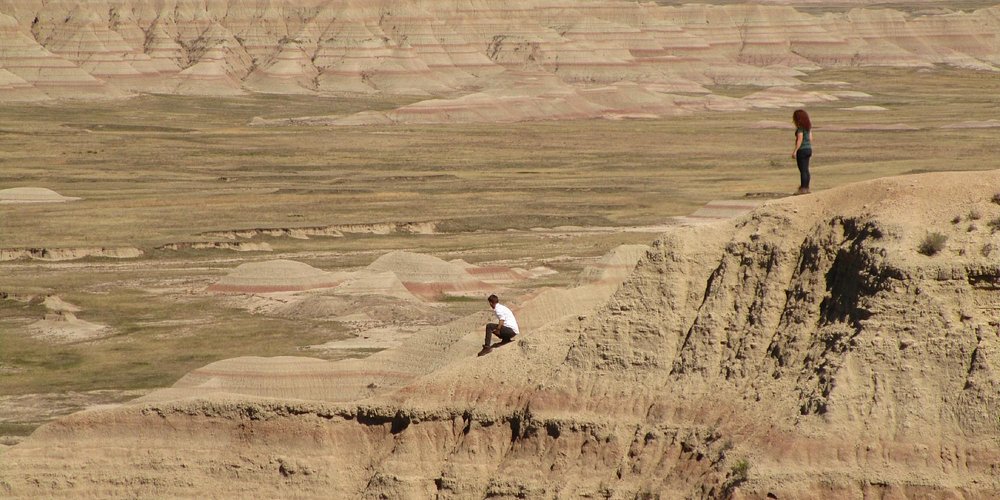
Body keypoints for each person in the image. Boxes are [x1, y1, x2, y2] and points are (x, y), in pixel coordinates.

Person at [792, 109, 814, 195]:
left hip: (802, 150)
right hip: (808, 149)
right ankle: (806, 187)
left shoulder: (800, 128)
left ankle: (803, 189)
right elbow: (811, 138)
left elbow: (800, 139)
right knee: (806, 170)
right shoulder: (808, 128)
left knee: (803, 170)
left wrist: (795, 151)